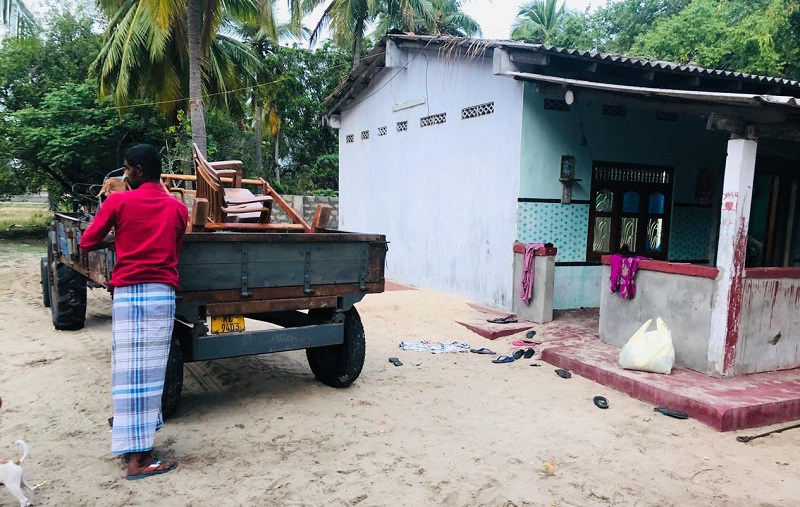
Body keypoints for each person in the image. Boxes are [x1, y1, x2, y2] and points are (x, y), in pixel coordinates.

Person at [80, 143, 188, 480]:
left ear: (137, 171)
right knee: (151, 377)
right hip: (160, 295)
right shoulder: (177, 209)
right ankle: (138, 455)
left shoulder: (118, 202)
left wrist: (118, 235)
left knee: (127, 373)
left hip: (127, 295)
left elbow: (86, 242)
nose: (125, 174)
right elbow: (175, 247)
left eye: (127, 168)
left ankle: (135, 456)